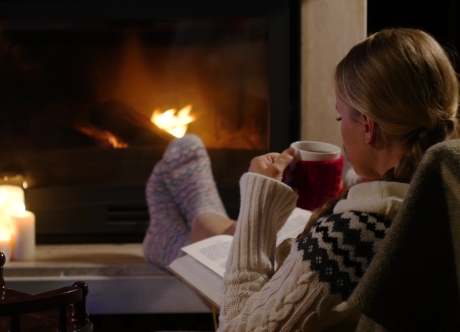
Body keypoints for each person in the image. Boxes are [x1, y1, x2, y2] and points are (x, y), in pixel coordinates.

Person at [143, 28, 459, 330]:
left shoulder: (350, 238)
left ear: (367, 125)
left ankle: (177, 228)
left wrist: (257, 202)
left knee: (230, 233)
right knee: (239, 230)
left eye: (340, 115)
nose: (339, 128)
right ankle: (175, 229)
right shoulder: (443, 196)